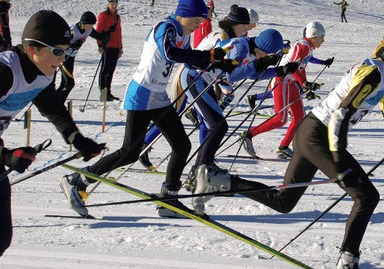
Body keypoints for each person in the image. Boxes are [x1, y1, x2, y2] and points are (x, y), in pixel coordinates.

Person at [193, 21, 384, 268]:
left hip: (314, 133)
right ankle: (348, 259)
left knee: (284, 201)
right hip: (319, 134)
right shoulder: (374, 72)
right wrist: (338, 159)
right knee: (366, 196)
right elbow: (342, 112)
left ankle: (221, 180)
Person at [60, 0, 234, 219]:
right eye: (197, 21)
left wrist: (218, 65)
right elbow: (170, 53)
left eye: (202, 22)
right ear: (184, 14)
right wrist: (207, 56)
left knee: (182, 145)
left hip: (158, 96)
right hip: (141, 94)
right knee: (129, 152)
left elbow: (189, 61)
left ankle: (168, 199)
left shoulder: (184, 33)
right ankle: (77, 180)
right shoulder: (166, 27)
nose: (198, 26)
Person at [0, 10, 104, 257]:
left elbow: (53, 108)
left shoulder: (44, 74)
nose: (63, 58)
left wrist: (77, 139)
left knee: (2, 237)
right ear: (33, 49)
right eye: (58, 51)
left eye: (66, 52)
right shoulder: (5, 71)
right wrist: (5, 156)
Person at [185, 29, 290, 211]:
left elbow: (251, 75)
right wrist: (261, 64)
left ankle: (199, 171)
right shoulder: (241, 48)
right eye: (269, 54)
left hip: (205, 81)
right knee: (218, 126)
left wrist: (279, 70)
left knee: (218, 126)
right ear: (264, 48)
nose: (268, 56)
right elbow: (230, 76)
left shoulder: (249, 49)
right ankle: (203, 171)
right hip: (195, 78)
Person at [137, 4, 251, 169]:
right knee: (175, 112)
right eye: (245, 26)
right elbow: (216, 61)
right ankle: (144, 144)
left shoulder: (229, 37)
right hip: (188, 73)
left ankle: (204, 158)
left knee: (206, 121)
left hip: (201, 78)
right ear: (236, 24)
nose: (246, 30)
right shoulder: (223, 36)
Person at [240, 21, 333, 159]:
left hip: (290, 83)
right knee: (281, 118)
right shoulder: (303, 46)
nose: (323, 40)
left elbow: (300, 68)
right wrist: (303, 82)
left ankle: (284, 147)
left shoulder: (308, 47)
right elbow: (293, 66)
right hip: (281, 81)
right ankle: (248, 135)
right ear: (314, 36)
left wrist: (304, 83)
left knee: (299, 116)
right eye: (321, 37)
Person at [56, 11, 110, 103]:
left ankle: (54, 102)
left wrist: (109, 32)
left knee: (64, 83)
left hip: (71, 57)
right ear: (83, 23)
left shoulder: (88, 30)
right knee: (69, 83)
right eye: (90, 24)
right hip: (63, 57)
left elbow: (99, 37)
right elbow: (60, 43)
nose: (91, 27)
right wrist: (72, 44)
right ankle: (58, 105)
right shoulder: (72, 30)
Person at [96, 0, 123, 101]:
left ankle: (108, 92)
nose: (114, 5)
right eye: (112, 4)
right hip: (107, 46)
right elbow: (98, 31)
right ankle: (103, 93)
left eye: (116, 3)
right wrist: (100, 45)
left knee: (111, 71)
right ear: (108, 4)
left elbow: (119, 32)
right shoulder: (103, 15)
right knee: (105, 71)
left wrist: (120, 47)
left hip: (115, 47)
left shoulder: (117, 17)